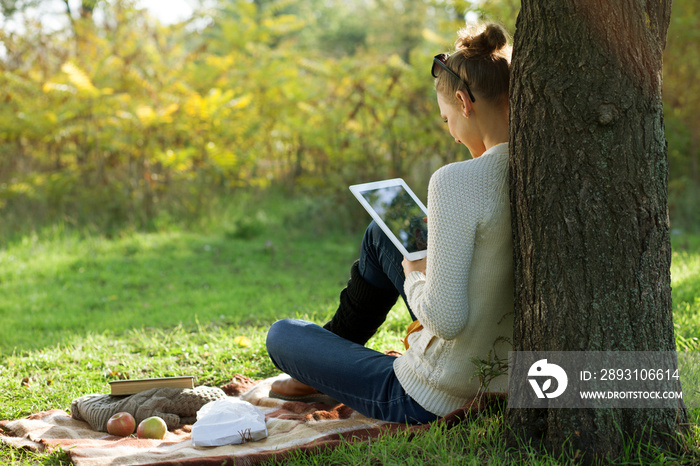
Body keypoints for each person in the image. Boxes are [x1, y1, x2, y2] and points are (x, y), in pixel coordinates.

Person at [265, 23, 514, 424]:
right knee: (383, 233)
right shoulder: (543, 171)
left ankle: (325, 359)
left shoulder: (455, 181)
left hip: (432, 393)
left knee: (282, 334)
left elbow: (448, 321)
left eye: (447, 119)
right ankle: (335, 346)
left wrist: (415, 274)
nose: (451, 134)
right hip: (505, 368)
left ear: (465, 103)